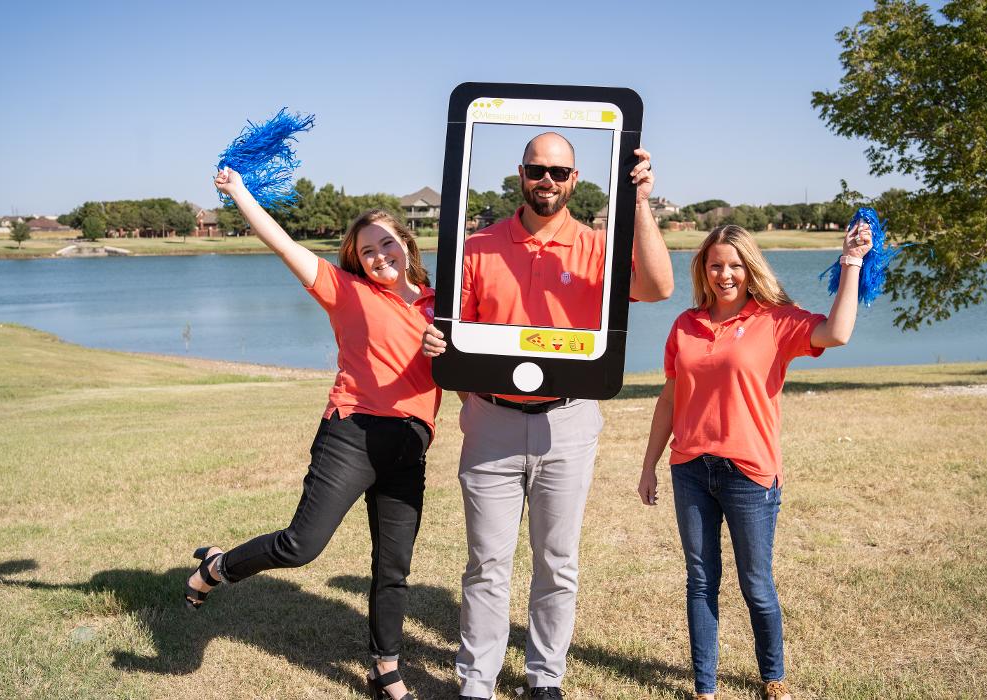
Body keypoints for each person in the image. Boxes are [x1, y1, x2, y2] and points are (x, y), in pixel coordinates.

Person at [424, 132, 674, 699]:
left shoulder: (597, 249)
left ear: (575, 180)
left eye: (560, 173)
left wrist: (639, 203)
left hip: (569, 423)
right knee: (487, 563)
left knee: (557, 562)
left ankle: (545, 680)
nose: (548, 181)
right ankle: (477, 683)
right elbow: (454, 338)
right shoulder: (477, 247)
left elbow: (659, 286)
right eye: (538, 170)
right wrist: (472, 392)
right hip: (491, 423)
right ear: (520, 173)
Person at [184, 167, 440, 700]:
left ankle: (386, 668)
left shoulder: (443, 306)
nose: (379, 257)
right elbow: (282, 243)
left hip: (411, 443)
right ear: (356, 259)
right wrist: (239, 194)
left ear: (406, 244)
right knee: (302, 546)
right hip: (351, 434)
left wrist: (450, 352)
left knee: (394, 567)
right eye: (367, 251)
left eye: (387, 244)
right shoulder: (345, 290)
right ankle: (218, 567)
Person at [636, 222, 873, 700]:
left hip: (750, 473)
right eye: (716, 264)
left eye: (736, 264)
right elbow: (669, 398)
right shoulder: (685, 324)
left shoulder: (776, 320)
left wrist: (851, 262)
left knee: (756, 584)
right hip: (690, 469)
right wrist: (649, 465)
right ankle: (705, 687)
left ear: (750, 268)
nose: (726, 274)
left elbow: (839, 333)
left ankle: (773, 676)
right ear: (704, 268)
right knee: (700, 581)